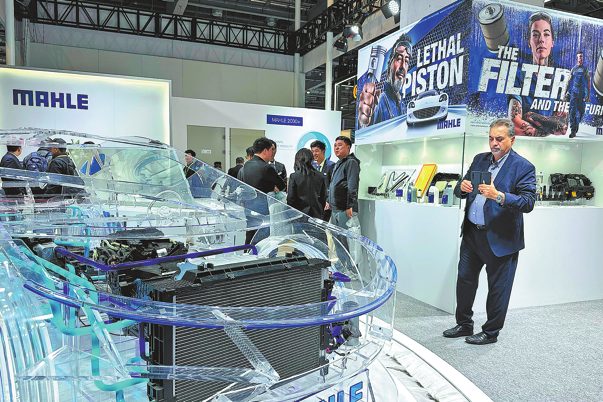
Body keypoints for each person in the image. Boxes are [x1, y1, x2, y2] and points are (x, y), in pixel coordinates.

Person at [443, 118, 536, 345]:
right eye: (491, 138)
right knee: (465, 280)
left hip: (500, 238)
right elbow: (460, 190)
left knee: (497, 288)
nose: (494, 143)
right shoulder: (479, 159)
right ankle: (464, 324)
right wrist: (462, 188)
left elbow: (528, 202)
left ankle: (490, 332)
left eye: (499, 139)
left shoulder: (523, 167)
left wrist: (499, 196)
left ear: (512, 140)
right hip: (472, 235)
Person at [508, 11, 567, 137]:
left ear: (552, 42)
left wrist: (530, 115)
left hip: (553, 146)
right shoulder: (518, 75)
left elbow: (562, 126)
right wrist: (548, 129)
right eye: (535, 35)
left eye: (546, 34)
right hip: (523, 144)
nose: (541, 40)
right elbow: (515, 125)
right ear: (529, 42)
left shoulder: (561, 78)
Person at [357, 33, 412, 127]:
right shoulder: (379, 102)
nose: (403, 66)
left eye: (406, 61)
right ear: (389, 66)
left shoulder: (402, 105)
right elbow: (367, 121)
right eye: (399, 59)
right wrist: (365, 119)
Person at [239, 138, 286, 244]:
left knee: (250, 236)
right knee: (262, 240)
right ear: (265, 150)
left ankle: (248, 253)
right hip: (263, 210)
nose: (272, 153)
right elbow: (281, 185)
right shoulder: (266, 168)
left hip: (249, 207)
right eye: (271, 150)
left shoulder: (247, 165)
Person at [325, 136, 361, 249]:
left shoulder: (351, 162)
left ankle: (348, 261)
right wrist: (328, 200)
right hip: (335, 208)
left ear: (348, 147)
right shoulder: (338, 164)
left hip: (344, 209)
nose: (336, 148)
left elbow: (352, 185)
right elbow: (333, 184)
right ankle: (341, 261)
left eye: (339, 145)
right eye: (335, 145)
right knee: (337, 240)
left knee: (346, 242)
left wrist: (350, 205)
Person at [287, 148, 327, 219]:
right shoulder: (320, 176)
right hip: (316, 214)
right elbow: (323, 197)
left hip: (299, 214)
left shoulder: (294, 176)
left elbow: (291, 199)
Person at [563, 50, 591, 138]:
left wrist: (588, 95)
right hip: (574, 93)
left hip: (581, 94)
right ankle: (573, 130)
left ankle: (576, 123)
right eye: (579, 56)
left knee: (581, 111)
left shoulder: (585, 69)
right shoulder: (573, 69)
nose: (581, 58)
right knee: (572, 111)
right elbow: (568, 81)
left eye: (582, 56)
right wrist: (565, 93)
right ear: (577, 58)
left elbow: (588, 82)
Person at [311, 140, 335, 221]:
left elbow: (333, 185)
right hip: (315, 203)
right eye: (312, 151)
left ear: (323, 151)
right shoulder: (313, 166)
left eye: (316, 151)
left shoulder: (331, 165)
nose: (314, 154)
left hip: (326, 203)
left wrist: (328, 200)